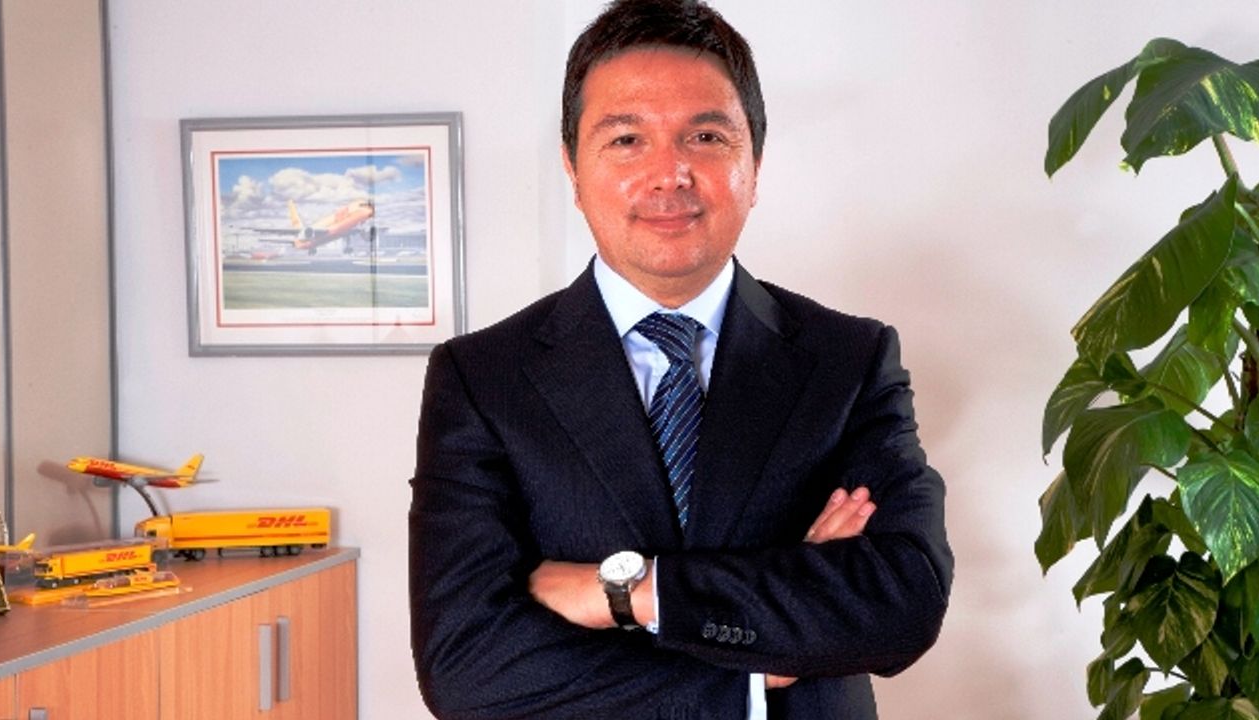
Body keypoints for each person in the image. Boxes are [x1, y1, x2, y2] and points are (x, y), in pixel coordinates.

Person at [408, 1, 953, 717]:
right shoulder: (482, 378)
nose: (669, 174)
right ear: (572, 168)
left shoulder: (848, 359)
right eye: (626, 139)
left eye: (705, 136)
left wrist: (628, 592)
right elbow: (466, 667)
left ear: (754, 164)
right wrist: (757, 663)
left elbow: (901, 602)